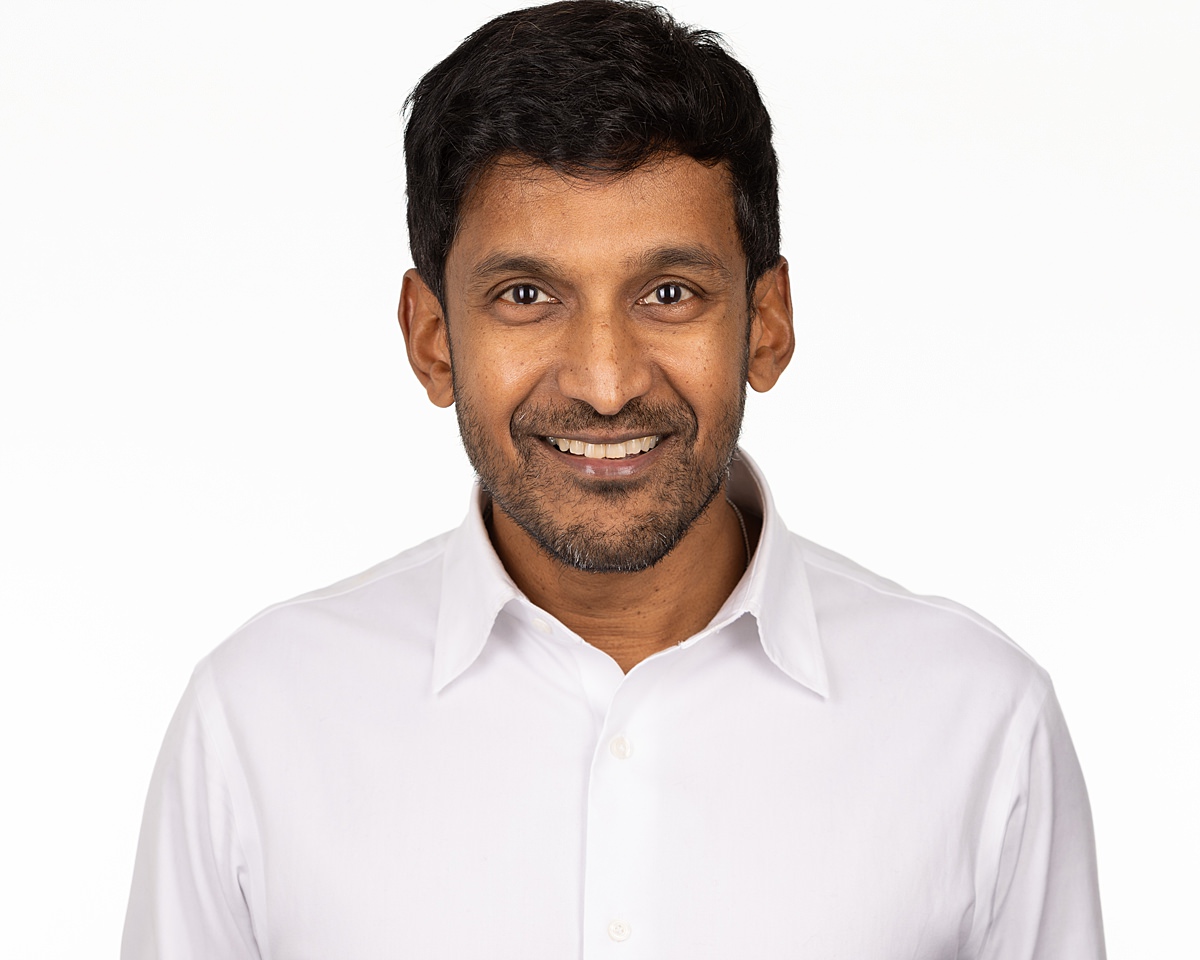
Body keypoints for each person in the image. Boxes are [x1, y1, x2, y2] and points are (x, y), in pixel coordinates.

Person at [121, 2, 1105, 957]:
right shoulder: (256, 722)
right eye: (526, 296)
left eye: (670, 294)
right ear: (431, 340)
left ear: (766, 323)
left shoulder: (980, 722)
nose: (604, 384)